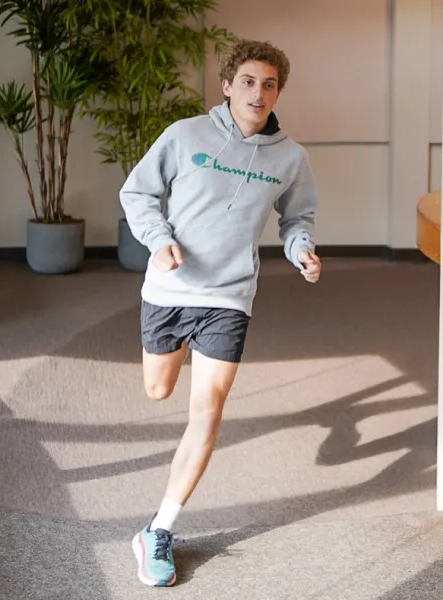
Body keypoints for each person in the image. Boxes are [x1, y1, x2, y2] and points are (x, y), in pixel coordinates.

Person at [118, 39, 321, 587]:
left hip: (229, 297)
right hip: (169, 286)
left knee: (206, 410)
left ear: (279, 92)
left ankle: (159, 528)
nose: (259, 93)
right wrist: (157, 240)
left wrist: (300, 248)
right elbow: (137, 194)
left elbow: (296, 217)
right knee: (158, 390)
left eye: (270, 84)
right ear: (227, 85)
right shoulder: (185, 136)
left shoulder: (289, 157)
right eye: (249, 81)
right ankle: (172, 352)